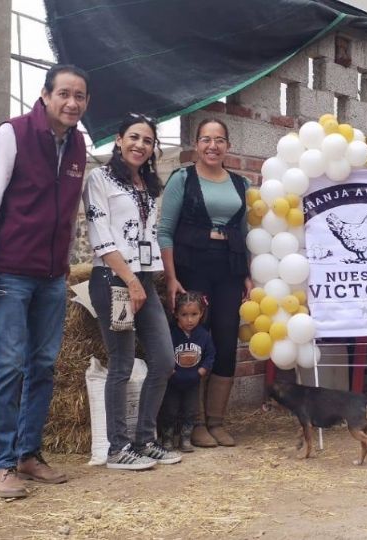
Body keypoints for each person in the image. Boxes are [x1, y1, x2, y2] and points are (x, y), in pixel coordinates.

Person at [0, 64, 89, 498]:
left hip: (52, 277)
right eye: (64, 93)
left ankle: (28, 454)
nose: (72, 102)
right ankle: (3, 464)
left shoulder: (77, 145)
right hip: (10, 274)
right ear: (45, 95)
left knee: (43, 366)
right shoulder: (13, 134)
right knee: (11, 366)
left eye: (79, 96)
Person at [84, 114, 182, 469]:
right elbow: (101, 235)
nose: (140, 145)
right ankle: (117, 449)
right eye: (134, 137)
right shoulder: (99, 178)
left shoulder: (147, 185)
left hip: (142, 280)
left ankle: (145, 439)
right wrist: (130, 280)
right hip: (114, 280)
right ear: (119, 140)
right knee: (122, 363)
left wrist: (149, 279)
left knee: (164, 361)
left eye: (147, 140)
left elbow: (150, 236)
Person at [159, 118, 252, 448]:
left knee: (226, 338)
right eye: (206, 139)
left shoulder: (240, 184)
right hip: (192, 266)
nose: (213, 146)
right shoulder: (182, 179)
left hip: (228, 268)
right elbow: (165, 231)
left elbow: (244, 233)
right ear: (196, 145)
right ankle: (193, 422)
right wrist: (171, 278)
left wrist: (246, 275)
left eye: (219, 140)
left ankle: (217, 420)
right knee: (195, 339)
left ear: (227, 145)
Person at [160, 291, 216, 452]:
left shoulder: (203, 336)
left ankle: (185, 438)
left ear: (201, 314)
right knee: (170, 410)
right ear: (176, 314)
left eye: (194, 314)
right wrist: (168, 370)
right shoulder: (171, 334)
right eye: (184, 315)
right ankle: (168, 438)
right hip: (173, 380)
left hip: (193, 381)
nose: (189, 319)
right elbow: (163, 351)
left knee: (190, 411)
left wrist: (202, 371)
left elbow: (210, 355)